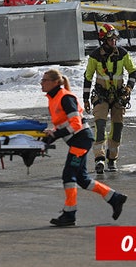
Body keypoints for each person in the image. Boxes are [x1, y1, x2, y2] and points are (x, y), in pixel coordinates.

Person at [41, 69, 127, 227]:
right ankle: (115, 198)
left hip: (81, 140)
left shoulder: (65, 98)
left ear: (55, 82)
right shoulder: (54, 98)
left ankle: (69, 214)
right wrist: (52, 133)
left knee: (68, 176)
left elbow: (76, 124)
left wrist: (56, 134)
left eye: (45, 80)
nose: (41, 82)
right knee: (82, 179)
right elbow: (63, 123)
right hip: (78, 141)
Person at [82, 23, 136, 174]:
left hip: (119, 97)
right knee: (100, 126)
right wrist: (86, 99)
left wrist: (128, 88)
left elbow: (133, 71)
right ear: (103, 39)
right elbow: (88, 78)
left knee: (117, 128)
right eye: (110, 38)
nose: (114, 41)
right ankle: (99, 159)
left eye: (115, 38)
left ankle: (112, 159)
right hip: (102, 97)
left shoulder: (123, 54)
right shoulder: (94, 56)